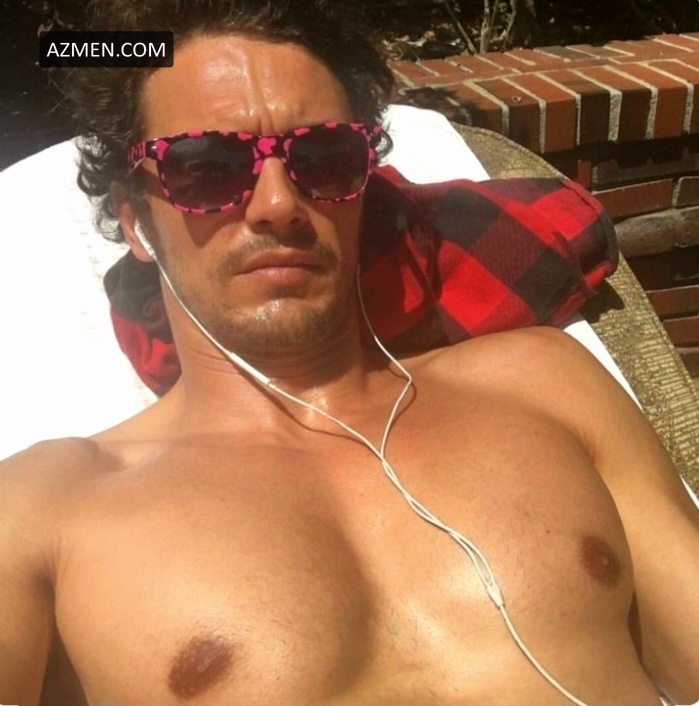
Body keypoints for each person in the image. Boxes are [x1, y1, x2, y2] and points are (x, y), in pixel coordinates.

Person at [1, 2, 698, 705]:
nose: (278, 203)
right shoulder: (44, 514)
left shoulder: (544, 387)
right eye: (205, 166)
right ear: (134, 223)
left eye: (323, 157)